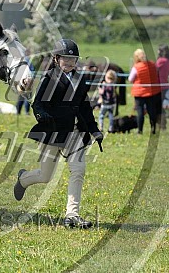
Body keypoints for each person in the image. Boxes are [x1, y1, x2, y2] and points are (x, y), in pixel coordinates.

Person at [13, 39, 103, 229]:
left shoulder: (80, 79)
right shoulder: (49, 78)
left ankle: (72, 215)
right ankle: (23, 179)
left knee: (78, 170)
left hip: (75, 133)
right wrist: (43, 116)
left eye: (73, 59)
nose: (70, 62)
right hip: (53, 132)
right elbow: (38, 104)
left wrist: (94, 130)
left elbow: (85, 107)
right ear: (56, 58)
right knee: (45, 176)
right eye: (66, 59)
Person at [128, 49, 161, 134]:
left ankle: (140, 130)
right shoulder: (153, 64)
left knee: (140, 112)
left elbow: (130, 79)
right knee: (152, 111)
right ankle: (153, 129)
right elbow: (156, 75)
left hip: (139, 93)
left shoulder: (136, 67)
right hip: (152, 91)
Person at [155, 44, 169, 129]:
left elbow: (154, 69)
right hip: (165, 85)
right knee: (160, 105)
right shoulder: (168, 60)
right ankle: (162, 123)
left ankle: (162, 123)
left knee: (158, 106)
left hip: (160, 85)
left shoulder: (161, 60)